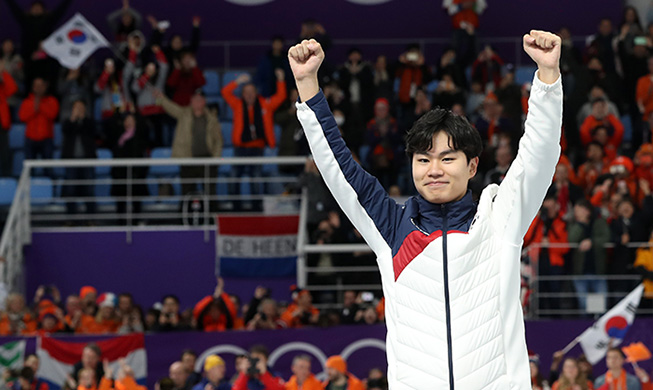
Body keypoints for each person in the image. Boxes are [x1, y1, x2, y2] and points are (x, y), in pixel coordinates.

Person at [288, 29, 563, 389]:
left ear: (473, 166)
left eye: (448, 158)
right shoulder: (391, 230)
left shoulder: (499, 219)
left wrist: (546, 79)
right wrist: (308, 84)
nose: (434, 169)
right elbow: (338, 167)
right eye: (423, 159)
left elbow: (537, 157)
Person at [221, 71, 286, 209]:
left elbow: (281, 96)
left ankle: (256, 208)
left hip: (257, 148)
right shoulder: (237, 105)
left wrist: (280, 79)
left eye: (252, 92)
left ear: (256, 93)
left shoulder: (265, 105)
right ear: (242, 94)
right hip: (240, 149)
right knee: (233, 177)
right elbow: (225, 92)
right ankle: (236, 208)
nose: (249, 95)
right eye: (246, 92)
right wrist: (237, 82)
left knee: (256, 178)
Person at [154, 89, 222, 200]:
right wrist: (161, 98)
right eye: (195, 99)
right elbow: (171, 107)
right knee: (187, 192)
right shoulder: (183, 114)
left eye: (200, 99)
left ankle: (212, 216)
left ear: (204, 101)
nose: (197, 102)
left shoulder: (211, 118)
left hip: (207, 160)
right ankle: (185, 216)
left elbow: (218, 140)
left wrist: (216, 158)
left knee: (210, 192)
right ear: (191, 101)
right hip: (188, 159)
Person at [568, 199, 609, 313]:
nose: (576, 213)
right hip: (580, 271)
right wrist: (580, 224)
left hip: (598, 271)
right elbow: (571, 239)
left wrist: (592, 242)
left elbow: (606, 237)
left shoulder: (599, 222)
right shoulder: (574, 224)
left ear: (587, 211)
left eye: (578, 210)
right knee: (583, 305)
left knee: (601, 305)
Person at [61, 100, 97, 217]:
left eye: (81, 107)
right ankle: (71, 218)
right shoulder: (68, 122)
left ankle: (91, 218)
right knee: (70, 190)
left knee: (89, 190)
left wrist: (83, 119)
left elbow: (93, 132)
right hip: (71, 161)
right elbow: (66, 130)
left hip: (87, 161)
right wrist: (73, 119)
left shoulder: (89, 122)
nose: (79, 109)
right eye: (77, 107)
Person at [18, 77, 59, 175]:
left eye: (41, 85)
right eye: (37, 86)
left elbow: (52, 114)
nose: (39, 88)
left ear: (45, 87)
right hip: (30, 139)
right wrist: (34, 107)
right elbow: (22, 117)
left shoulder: (52, 101)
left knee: (48, 169)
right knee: (29, 169)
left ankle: (50, 189)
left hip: (46, 139)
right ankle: (29, 190)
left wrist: (39, 104)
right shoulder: (27, 102)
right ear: (33, 87)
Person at [0, 61, 18, 176]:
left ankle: (6, 180)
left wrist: (3, 72)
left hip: (1, 124)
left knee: (4, 154)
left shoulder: (2, 81)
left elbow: (12, 89)